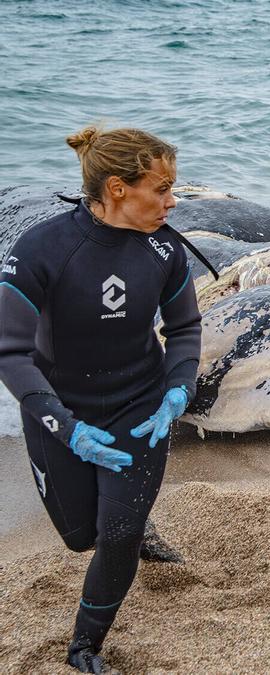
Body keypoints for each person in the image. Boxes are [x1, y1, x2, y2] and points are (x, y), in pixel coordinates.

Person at [0, 127, 201, 673]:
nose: (171, 201)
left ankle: (84, 647)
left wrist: (179, 389)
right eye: (160, 189)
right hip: (59, 409)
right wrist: (66, 429)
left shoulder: (164, 248)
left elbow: (184, 329)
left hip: (141, 406)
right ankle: (127, 524)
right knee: (81, 536)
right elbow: (11, 353)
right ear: (117, 188)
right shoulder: (43, 248)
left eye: (172, 188)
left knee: (118, 535)